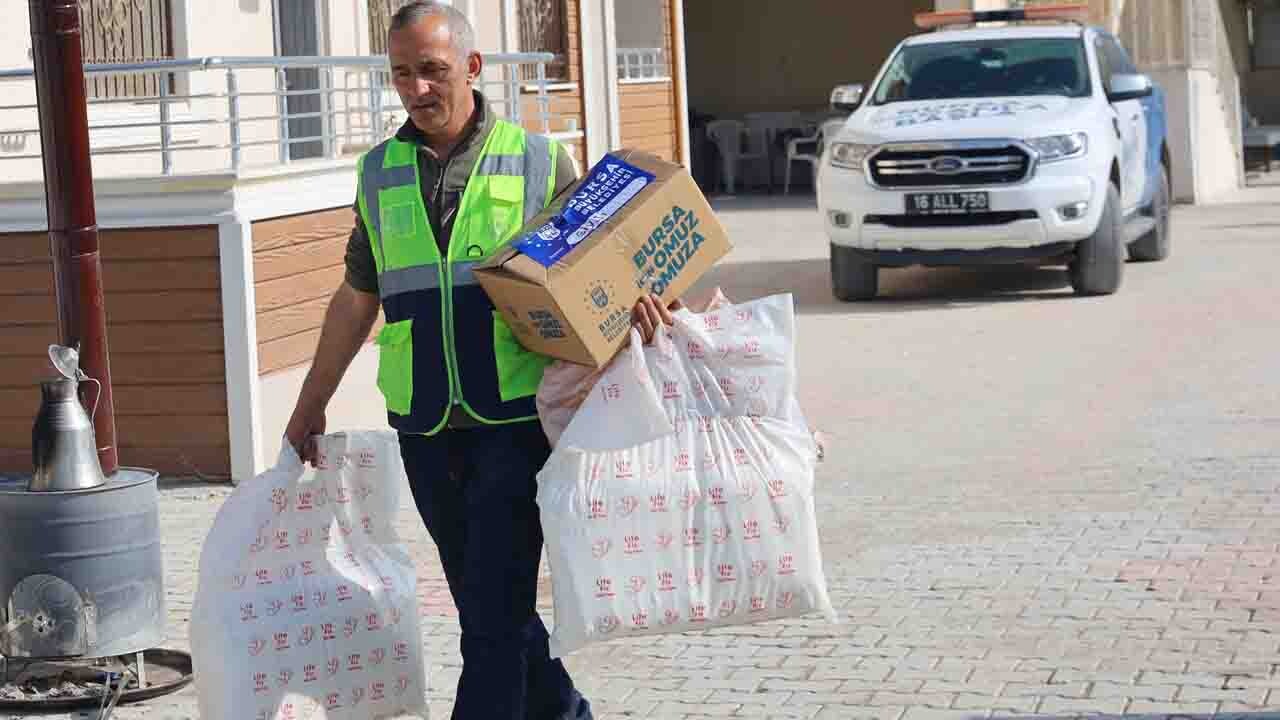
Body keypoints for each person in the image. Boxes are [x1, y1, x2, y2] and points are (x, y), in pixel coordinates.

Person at [282, 3, 674, 718]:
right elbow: (356, 296)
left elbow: (602, 273)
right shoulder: (378, 172)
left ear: (471, 67)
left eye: (431, 71)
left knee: (489, 624)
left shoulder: (536, 159)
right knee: (490, 606)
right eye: (401, 74)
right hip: (425, 426)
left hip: (514, 418)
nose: (416, 90)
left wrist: (640, 313)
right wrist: (312, 402)